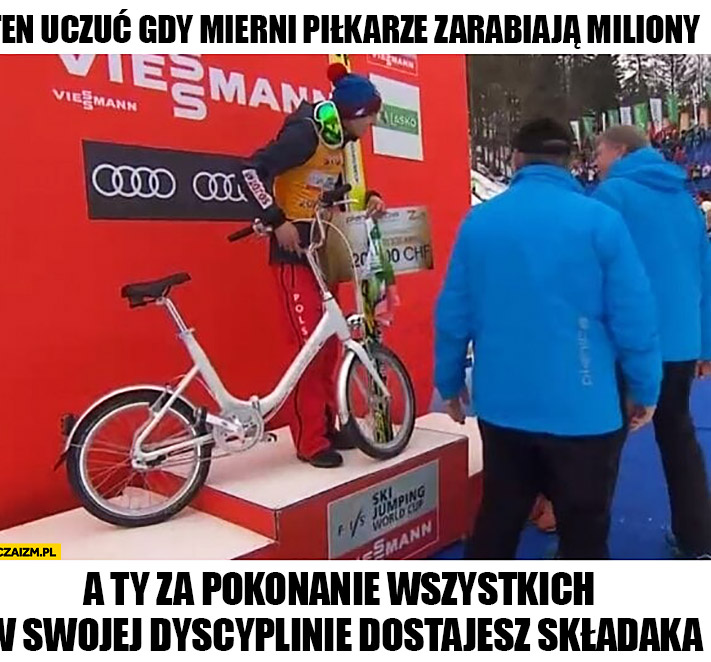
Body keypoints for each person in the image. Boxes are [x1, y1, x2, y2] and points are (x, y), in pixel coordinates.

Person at [435, 118, 662, 560]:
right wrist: (644, 387)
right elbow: (634, 315)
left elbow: (454, 311)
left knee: (499, 517)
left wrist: (449, 380)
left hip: (504, 405)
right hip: (584, 407)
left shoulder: (481, 222)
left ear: (516, 158)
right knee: (584, 532)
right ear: (570, 161)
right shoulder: (601, 222)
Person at [241, 63, 385, 468]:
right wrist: (276, 221)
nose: (372, 126)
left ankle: (327, 426)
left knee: (331, 342)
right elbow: (250, 171)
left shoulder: (339, 138)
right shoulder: (305, 133)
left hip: (322, 250)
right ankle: (310, 442)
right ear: (354, 113)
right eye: (371, 118)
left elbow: (327, 187)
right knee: (309, 349)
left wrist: (369, 197)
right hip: (293, 257)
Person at [593, 125, 711, 558]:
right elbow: (706, 276)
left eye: (599, 152)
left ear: (620, 150)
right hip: (680, 343)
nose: (595, 162)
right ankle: (698, 539)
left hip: (626, 342)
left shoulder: (612, 196)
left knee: (601, 445)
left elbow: (594, 270)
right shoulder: (685, 201)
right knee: (678, 435)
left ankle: (583, 549)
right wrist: (706, 346)